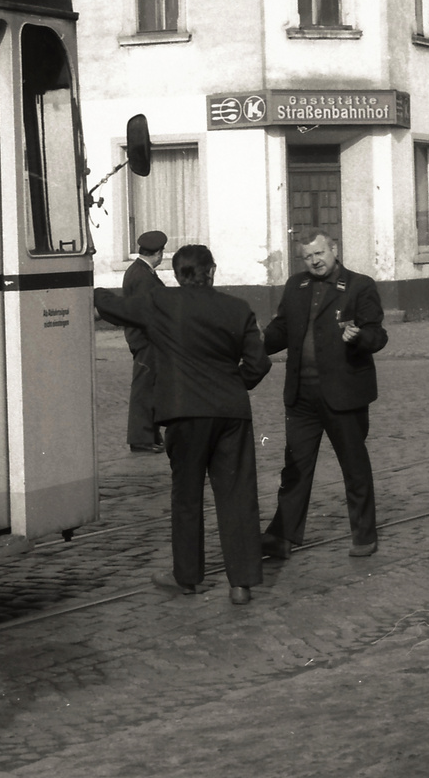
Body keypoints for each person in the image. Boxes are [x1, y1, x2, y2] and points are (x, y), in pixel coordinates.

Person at [93, 244, 271, 605]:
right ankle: (241, 583)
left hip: (183, 413)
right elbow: (259, 364)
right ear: (213, 270)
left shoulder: (162, 303)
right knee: (237, 496)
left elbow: (114, 306)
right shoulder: (238, 308)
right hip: (231, 414)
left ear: (176, 274)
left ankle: (187, 576)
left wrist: (89, 287)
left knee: (187, 496)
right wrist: (234, 386)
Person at [259, 229, 388, 561]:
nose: (314, 261)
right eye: (307, 256)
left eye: (319, 254)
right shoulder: (296, 286)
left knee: (354, 467)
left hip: (344, 394)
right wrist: (253, 340)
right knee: (295, 469)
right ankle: (281, 536)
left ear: (334, 249)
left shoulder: (359, 286)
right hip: (302, 396)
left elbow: (378, 334)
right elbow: (281, 330)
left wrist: (359, 338)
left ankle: (363, 534)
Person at [123, 230, 168, 453]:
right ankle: (141, 438)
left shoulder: (140, 271)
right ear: (158, 253)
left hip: (144, 337)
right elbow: (147, 311)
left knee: (151, 386)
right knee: (144, 388)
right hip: (146, 338)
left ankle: (150, 434)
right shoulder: (143, 276)